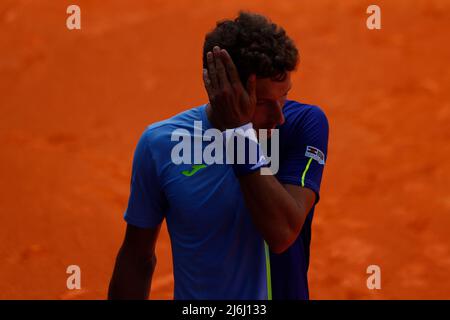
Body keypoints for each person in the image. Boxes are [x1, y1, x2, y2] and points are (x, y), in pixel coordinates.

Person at [108, 11, 328, 300]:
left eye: (284, 95)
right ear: (219, 88)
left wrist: (238, 134)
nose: (279, 116)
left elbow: (283, 232)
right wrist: (238, 129)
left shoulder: (303, 125)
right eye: (262, 102)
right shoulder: (161, 144)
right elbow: (137, 259)